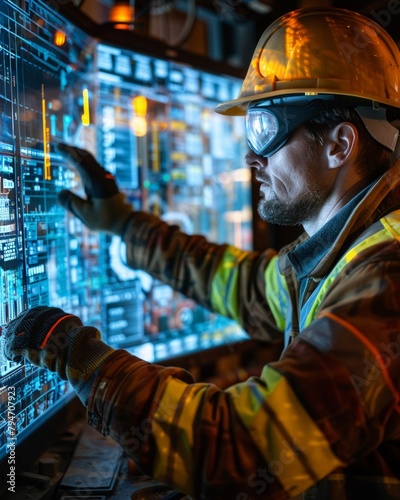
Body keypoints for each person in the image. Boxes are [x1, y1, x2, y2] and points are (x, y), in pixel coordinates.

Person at [2, 6, 400, 499]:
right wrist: (127, 225)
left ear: (340, 144)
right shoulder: (345, 252)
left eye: (265, 130)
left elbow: (242, 450)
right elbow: (246, 287)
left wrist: (79, 355)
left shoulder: (387, 278)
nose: (251, 158)